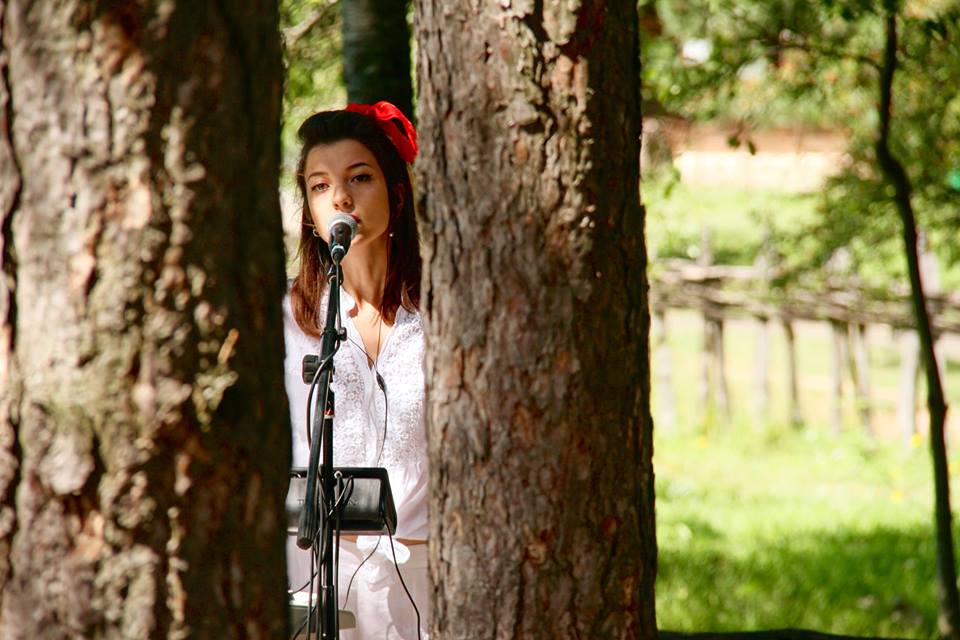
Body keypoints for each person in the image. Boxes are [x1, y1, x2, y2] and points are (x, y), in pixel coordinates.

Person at [283, 102, 428, 640]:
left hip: (427, 576)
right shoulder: (285, 319)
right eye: (320, 186)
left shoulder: (445, 312)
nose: (340, 198)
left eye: (359, 178)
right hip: (318, 575)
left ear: (397, 193)